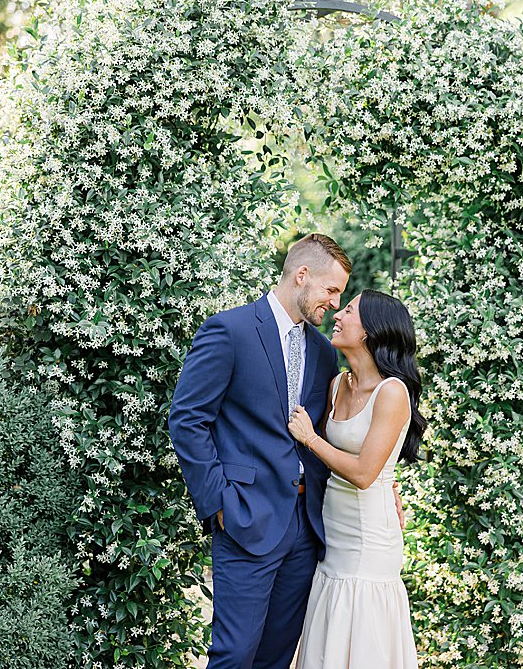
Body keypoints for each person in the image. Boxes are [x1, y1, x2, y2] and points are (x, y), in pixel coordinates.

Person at [168, 233, 350, 669]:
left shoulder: (325, 353)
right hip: (245, 518)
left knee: (276, 656)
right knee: (234, 655)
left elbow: (326, 432)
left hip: (306, 529)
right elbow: (187, 420)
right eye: (331, 289)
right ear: (302, 276)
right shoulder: (228, 331)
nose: (335, 302)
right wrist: (219, 503)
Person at [287, 289, 426, 668]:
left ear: (369, 331)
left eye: (348, 310)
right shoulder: (337, 385)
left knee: (361, 628)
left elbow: (365, 474)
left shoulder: (392, 392)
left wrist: (311, 438)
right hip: (333, 531)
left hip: (369, 540)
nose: (337, 315)